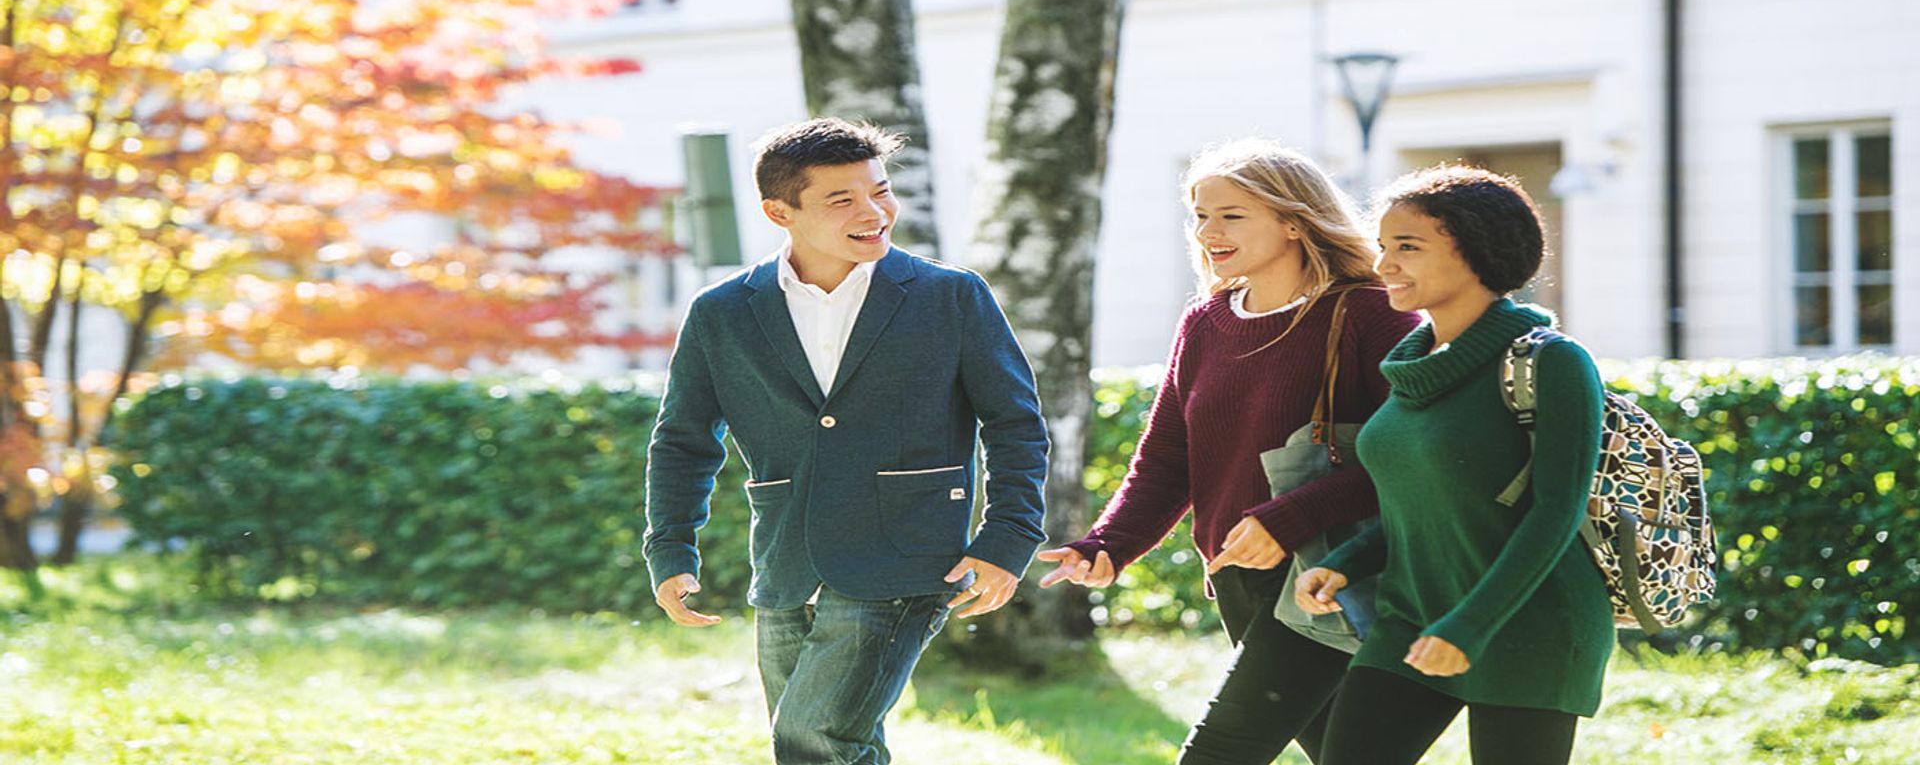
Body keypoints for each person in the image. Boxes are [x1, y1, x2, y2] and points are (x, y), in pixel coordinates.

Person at [643, 118, 1050, 765]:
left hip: (906, 557)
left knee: (814, 739)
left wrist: (1008, 536)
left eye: (880, 191)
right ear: (781, 211)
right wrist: (670, 547)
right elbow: (683, 440)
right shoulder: (721, 313)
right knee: (836, 746)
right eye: (843, 200)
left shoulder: (951, 297)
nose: (874, 212)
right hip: (784, 564)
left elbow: (1015, 425)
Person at [1035, 140, 1420, 764]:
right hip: (1238, 574)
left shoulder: (1369, 314)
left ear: (1293, 220)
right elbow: (1168, 458)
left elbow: (1410, 451)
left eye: (1231, 214)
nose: (1208, 231)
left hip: (1333, 571)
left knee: (1219, 753)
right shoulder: (1207, 322)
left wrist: (1290, 516)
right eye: (1200, 214)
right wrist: (1109, 544)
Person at [1295, 165, 1611, 765]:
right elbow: (1427, 498)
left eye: (1407, 248)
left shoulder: (1555, 362)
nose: (1383, 265)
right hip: (1412, 617)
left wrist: (1469, 626)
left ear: (1478, 253)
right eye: (1384, 247)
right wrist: (1346, 563)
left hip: (1528, 626)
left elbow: (1556, 511)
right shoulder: (1414, 366)